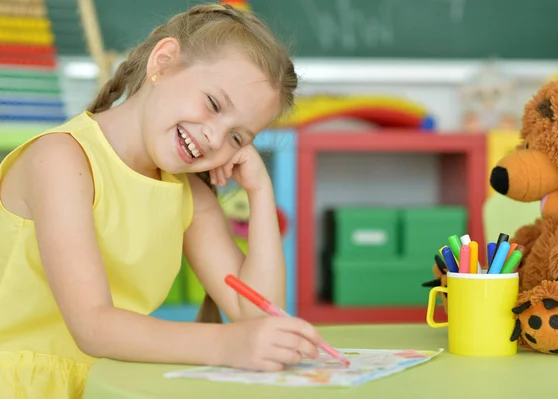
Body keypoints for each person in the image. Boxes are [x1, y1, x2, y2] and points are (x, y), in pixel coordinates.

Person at [0, 3, 322, 398]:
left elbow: (256, 313)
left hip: (111, 386)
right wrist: (228, 345)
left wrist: (260, 190)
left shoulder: (189, 194)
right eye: (215, 104)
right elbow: (93, 326)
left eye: (238, 137)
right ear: (163, 63)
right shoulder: (61, 160)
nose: (215, 139)